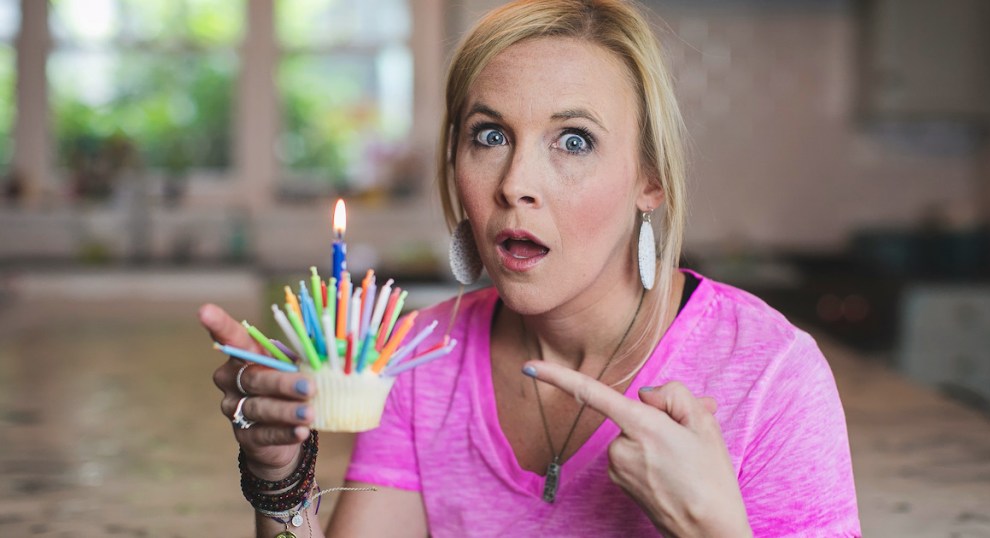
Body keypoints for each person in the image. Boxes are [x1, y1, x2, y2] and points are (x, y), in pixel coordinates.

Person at [201, 0, 861, 536]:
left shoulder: (772, 377)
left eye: (574, 142)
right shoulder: (413, 359)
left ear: (650, 180)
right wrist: (278, 475)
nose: (516, 182)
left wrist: (713, 529)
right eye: (489, 135)